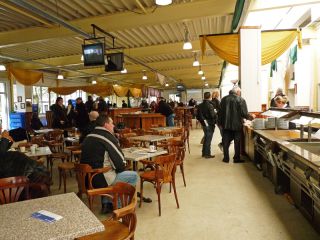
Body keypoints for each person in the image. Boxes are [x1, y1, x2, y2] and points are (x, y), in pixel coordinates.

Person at [80, 114, 138, 213]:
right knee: (133, 175)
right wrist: (121, 167)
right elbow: (120, 162)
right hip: (100, 179)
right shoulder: (107, 137)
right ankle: (120, 205)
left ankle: (107, 203)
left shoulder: (89, 136)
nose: (113, 126)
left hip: (86, 179)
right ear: (106, 124)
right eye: (112, 123)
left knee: (110, 170)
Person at [0, 131, 50, 199]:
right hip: (5, 170)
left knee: (22, 160)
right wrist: (4, 139)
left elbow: (3, 150)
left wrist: (8, 141)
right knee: (23, 162)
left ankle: (37, 168)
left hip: (7, 165)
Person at [219, 86, 254, 163]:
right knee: (237, 141)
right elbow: (244, 113)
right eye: (239, 92)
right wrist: (251, 117)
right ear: (237, 92)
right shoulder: (241, 99)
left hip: (225, 124)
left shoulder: (223, 99)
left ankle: (226, 158)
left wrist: (220, 123)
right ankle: (236, 158)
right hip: (237, 124)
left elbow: (220, 113)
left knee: (226, 141)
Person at [196, 92, 216, 158]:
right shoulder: (210, 105)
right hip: (209, 124)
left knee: (206, 138)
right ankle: (207, 154)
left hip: (204, 124)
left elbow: (197, 116)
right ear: (210, 97)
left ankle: (204, 153)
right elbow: (212, 115)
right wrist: (216, 113)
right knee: (208, 139)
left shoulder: (200, 105)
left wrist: (202, 121)